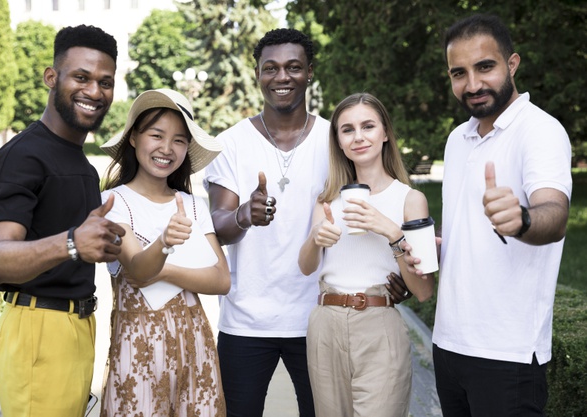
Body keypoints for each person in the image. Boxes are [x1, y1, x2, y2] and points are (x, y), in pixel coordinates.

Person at [204, 28, 411, 417]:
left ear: (309, 72)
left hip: (319, 321)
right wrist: (244, 214)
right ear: (258, 74)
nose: (282, 77)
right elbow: (218, 223)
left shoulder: (336, 139)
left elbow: (382, 203)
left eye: (293, 67)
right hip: (246, 320)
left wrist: (397, 274)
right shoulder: (230, 142)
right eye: (271, 68)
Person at [405, 14, 572, 416]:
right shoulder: (457, 139)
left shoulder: (540, 130)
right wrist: (437, 243)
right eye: (458, 73)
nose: (473, 84)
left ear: (511, 64)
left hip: (506, 355)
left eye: (485, 67)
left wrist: (523, 219)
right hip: (448, 344)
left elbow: (555, 212)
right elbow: (464, 221)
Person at [0, 25, 124, 417]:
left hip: (74, 328)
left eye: (105, 82)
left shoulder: (74, 156)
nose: (94, 91)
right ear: (51, 77)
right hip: (38, 330)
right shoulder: (24, 156)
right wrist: (74, 242)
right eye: (81, 77)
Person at [297, 93, 435, 417]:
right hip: (325, 325)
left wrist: (391, 231)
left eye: (368, 126)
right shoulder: (327, 199)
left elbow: (424, 291)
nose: (358, 137)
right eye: (347, 130)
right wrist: (315, 238)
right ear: (339, 142)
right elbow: (305, 268)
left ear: (385, 133)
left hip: (378, 325)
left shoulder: (410, 199)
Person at [99, 88, 230, 416]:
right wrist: (164, 243)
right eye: (156, 135)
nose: (166, 149)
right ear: (133, 138)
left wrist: (167, 269)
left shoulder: (194, 204)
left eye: (179, 140)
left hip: (194, 342)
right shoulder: (114, 203)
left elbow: (221, 279)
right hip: (137, 345)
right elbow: (138, 271)